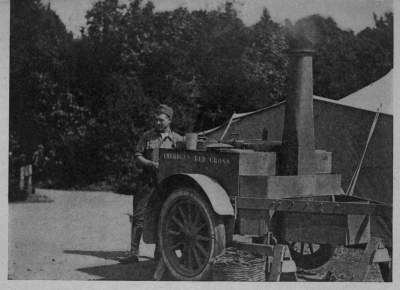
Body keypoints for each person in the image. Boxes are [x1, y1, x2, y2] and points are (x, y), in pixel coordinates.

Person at [119, 104, 183, 264]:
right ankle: (133, 253)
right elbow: (137, 155)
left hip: (167, 185)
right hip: (147, 181)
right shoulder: (147, 136)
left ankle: (160, 253)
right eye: (156, 120)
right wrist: (149, 164)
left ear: (169, 120)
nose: (158, 123)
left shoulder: (178, 139)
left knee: (164, 215)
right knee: (139, 216)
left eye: (161, 120)